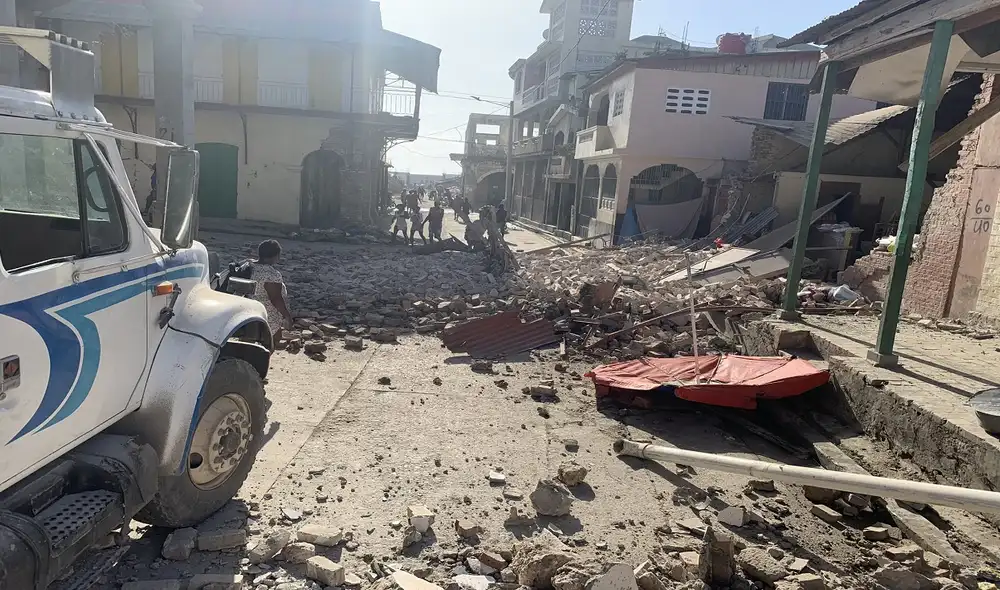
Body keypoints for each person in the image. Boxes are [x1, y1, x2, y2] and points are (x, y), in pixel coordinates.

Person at [251, 240, 293, 344]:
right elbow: (276, 299)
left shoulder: (248, 266)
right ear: (276, 256)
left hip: (248, 309)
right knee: (273, 338)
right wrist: (286, 316)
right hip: (266, 312)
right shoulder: (272, 275)